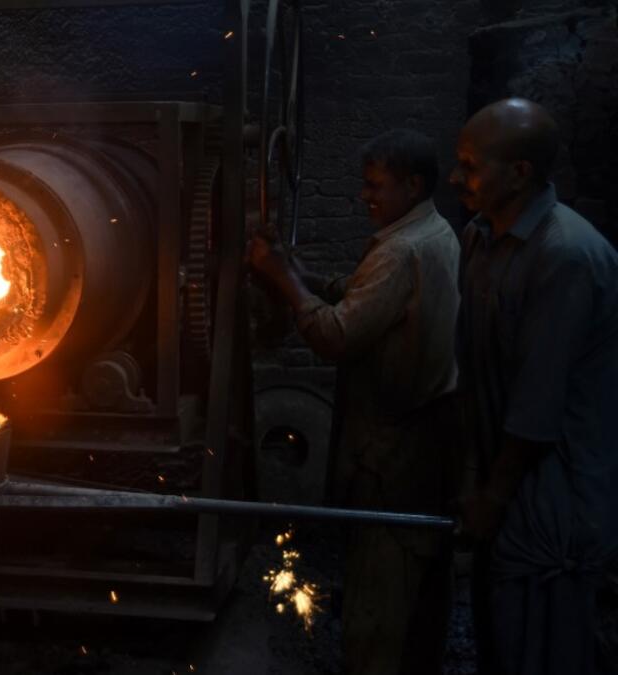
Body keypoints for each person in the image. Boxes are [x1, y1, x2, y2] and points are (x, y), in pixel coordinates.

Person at [248, 129, 461, 675]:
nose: (365, 197)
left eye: (375, 186)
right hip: (423, 442)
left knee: (379, 603)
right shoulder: (433, 231)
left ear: (411, 185)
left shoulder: (401, 250)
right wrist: (298, 273)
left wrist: (283, 281)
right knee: (414, 595)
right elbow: (358, 294)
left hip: (393, 453)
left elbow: (336, 336)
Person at [452, 98, 618, 675]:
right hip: (504, 482)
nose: (456, 178)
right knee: (502, 638)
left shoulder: (566, 255)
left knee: (544, 650)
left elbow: (537, 404)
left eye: (471, 166)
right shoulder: (480, 239)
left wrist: (491, 497)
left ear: (519, 172)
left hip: (553, 497)